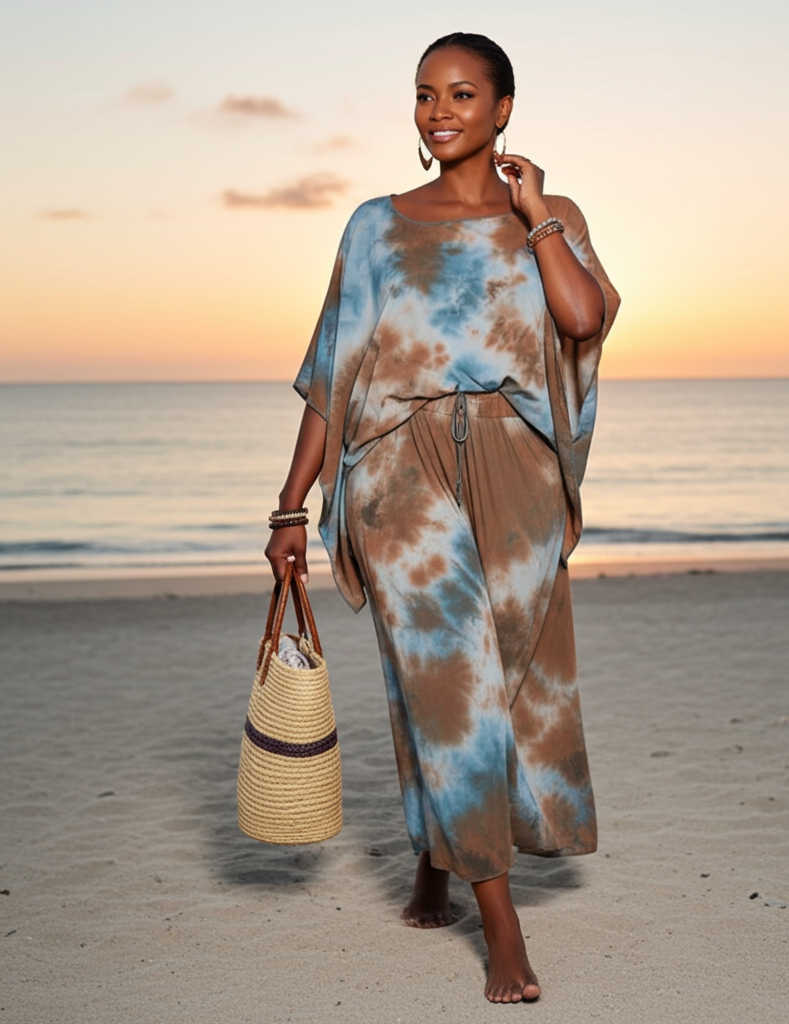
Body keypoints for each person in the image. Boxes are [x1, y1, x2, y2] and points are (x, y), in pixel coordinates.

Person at [265, 31, 619, 1003]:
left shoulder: (552, 215)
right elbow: (332, 375)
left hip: (516, 463)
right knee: (450, 682)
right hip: (397, 464)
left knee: (506, 678)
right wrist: (289, 505)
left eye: (463, 94)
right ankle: (501, 927)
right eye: (425, 94)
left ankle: (434, 856)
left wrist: (537, 215)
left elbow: (583, 320)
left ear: (503, 109)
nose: (439, 111)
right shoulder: (375, 227)